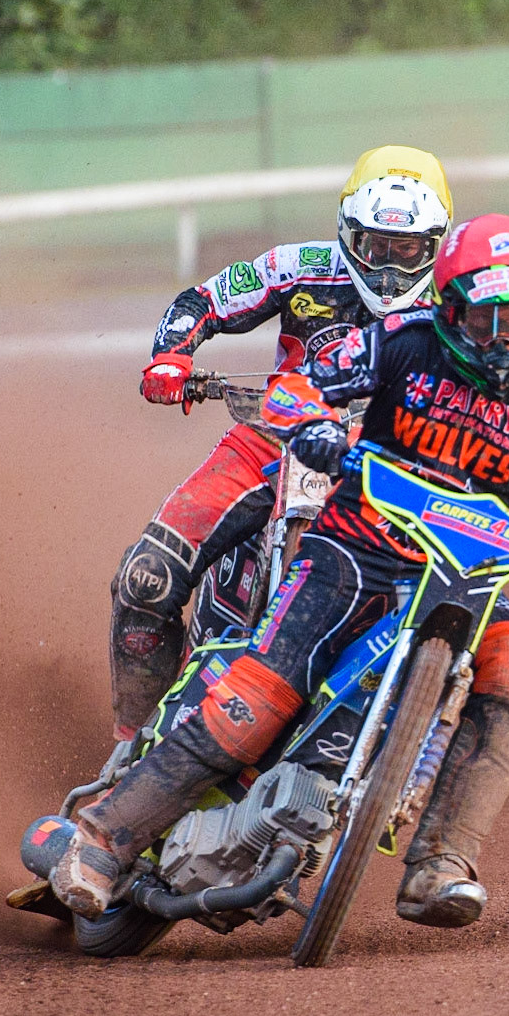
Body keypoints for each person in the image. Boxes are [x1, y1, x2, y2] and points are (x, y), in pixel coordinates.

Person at [53, 214, 509, 926]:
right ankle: (103, 840)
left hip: (463, 571)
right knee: (259, 693)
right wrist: (313, 423)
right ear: (449, 310)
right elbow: (302, 384)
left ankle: (442, 862)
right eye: (484, 318)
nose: (502, 338)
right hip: (355, 547)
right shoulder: (402, 340)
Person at [110, 145, 454, 742]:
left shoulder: (460, 305)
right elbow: (205, 300)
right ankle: (128, 743)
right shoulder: (298, 266)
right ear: (349, 235)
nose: (391, 271)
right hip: (271, 439)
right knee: (147, 576)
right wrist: (170, 355)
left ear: (436, 246)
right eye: (377, 249)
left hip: (392, 463)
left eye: (408, 251)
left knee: (447, 611)